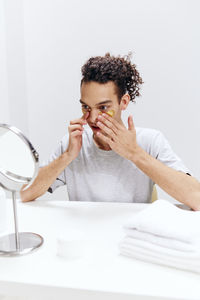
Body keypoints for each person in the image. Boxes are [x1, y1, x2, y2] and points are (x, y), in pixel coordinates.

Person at [21, 53, 200, 210]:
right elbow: (25, 194)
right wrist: (67, 157)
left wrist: (134, 153)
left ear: (123, 102)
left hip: (132, 239)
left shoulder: (150, 141)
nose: (92, 118)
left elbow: (196, 198)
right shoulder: (73, 144)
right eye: (86, 107)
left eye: (103, 107)